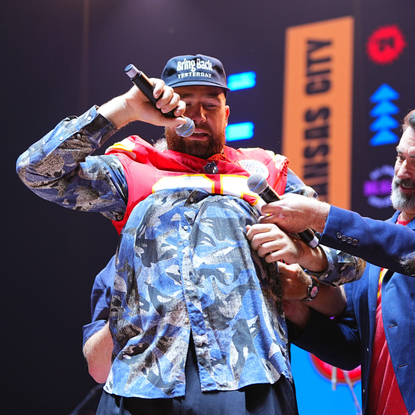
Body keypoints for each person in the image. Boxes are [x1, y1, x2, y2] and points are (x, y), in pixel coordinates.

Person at [16, 54, 363, 414]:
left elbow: (349, 261)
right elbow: (37, 171)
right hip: (144, 379)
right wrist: (125, 109)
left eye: (210, 106)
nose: (198, 117)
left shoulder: (267, 174)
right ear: (164, 113)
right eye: (186, 105)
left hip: (249, 378)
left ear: (227, 114)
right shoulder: (132, 168)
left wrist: (305, 254)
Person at [259, 109, 415, 414]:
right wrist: (297, 309)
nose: (402, 172)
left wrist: (318, 216)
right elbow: (352, 349)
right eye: (400, 158)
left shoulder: (383, 244)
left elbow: (403, 248)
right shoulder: (377, 251)